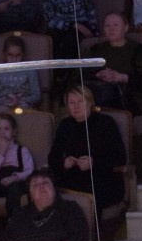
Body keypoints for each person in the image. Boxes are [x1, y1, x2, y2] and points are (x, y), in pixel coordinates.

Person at [85, 11, 142, 180]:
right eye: (107, 26)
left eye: (115, 25)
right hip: (97, 96)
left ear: (125, 27)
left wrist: (119, 77)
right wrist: (98, 75)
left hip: (129, 101)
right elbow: (79, 75)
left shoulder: (138, 50)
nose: (110, 29)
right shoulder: (95, 50)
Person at [49, 84, 126, 213]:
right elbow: (52, 158)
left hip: (102, 178)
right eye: (71, 103)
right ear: (67, 106)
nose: (76, 106)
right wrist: (64, 163)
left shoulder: (106, 123)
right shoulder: (65, 125)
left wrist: (93, 163)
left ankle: (93, 232)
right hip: (72, 179)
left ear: (90, 102)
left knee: (89, 193)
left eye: (80, 101)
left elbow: (120, 157)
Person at [0, 111, 34, 226]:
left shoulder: (22, 150)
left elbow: (29, 170)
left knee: (14, 191)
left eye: (6, 129)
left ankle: (13, 222)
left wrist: (14, 177)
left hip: (16, 182)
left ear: (14, 132)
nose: (2, 133)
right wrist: (1, 153)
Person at [0, 36, 41, 115]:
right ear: (5, 54)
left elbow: (37, 96)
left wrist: (22, 100)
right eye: (10, 55)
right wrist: (4, 101)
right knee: (2, 114)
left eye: (18, 55)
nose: (14, 59)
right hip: (3, 104)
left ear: (23, 54)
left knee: (25, 112)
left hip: (24, 103)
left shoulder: (30, 70)